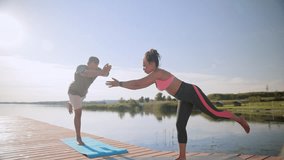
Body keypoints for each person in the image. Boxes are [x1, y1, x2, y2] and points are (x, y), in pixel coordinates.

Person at [106, 49, 250, 160]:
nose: (143, 67)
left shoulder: (158, 73)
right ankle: (182, 156)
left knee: (215, 114)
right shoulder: (154, 76)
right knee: (180, 125)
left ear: (152, 64)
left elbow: (138, 84)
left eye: (144, 65)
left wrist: (120, 83)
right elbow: (139, 85)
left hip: (192, 92)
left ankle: (239, 119)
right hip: (183, 98)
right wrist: (121, 84)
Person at [67, 56, 111, 145]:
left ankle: (70, 103)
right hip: (74, 92)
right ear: (88, 63)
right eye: (93, 65)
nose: (95, 67)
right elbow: (86, 74)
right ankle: (78, 138)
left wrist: (107, 70)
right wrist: (101, 72)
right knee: (78, 114)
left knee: (77, 105)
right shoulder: (81, 67)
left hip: (83, 93)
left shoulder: (98, 69)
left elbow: (105, 74)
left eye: (97, 65)